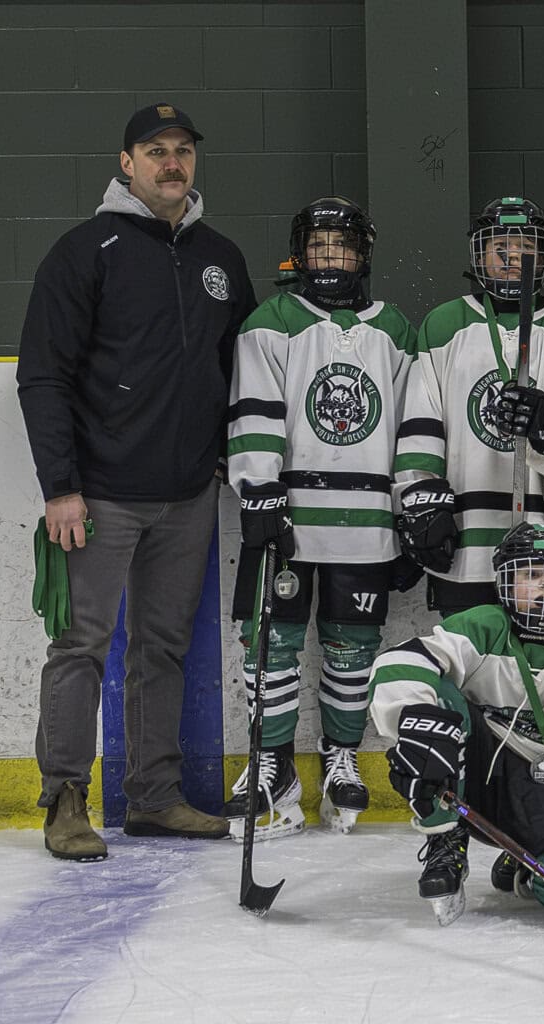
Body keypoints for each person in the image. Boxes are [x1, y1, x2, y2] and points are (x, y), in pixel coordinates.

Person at [17, 102, 256, 861]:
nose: (171, 163)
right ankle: (64, 801)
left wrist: (230, 453)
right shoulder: (87, 251)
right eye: (155, 150)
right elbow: (44, 376)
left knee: (162, 647)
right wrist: (61, 487)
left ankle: (154, 798)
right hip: (100, 496)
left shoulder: (221, 257)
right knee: (80, 645)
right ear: (127, 163)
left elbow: (245, 368)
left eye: (183, 149)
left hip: (187, 496)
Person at [223, 196, 414, 839]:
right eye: (319, 246)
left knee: (351, 647)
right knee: (271, 643)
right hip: (288, 518)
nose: (330, 259)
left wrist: (411, 509)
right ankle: (273, 764)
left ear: (363, 254)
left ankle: (340, 758)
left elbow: (413, 427)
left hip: (366, 524)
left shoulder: (397, 330)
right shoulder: (271, 321)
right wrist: (260, 493)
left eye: (343, 247)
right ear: (300, 252)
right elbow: (255, 414)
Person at [370, 524, 544, 926]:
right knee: (433, 700)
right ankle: (445, 838)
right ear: (506, 582)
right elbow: (399, 662)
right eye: (531, 576)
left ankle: (526, 862)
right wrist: (412, 717)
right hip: (476, 773)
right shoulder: (483, 626)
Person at [394, 197, 544, 618]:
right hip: (465, 541)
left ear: (542, 255)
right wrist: (421, 500)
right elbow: (421, 420)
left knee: (537, 671)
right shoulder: (444, 324)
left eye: (525, 247)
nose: (512, 258)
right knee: (468, 666)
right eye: (499, 247)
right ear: (479, 254)